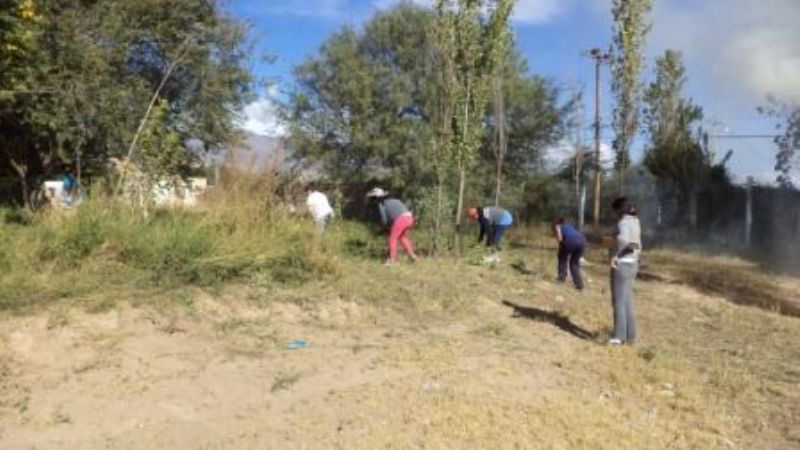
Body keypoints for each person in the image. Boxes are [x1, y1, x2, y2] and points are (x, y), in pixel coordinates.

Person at [605, 197, 642, 346]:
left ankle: (618, 337)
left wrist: (615, 255)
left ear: (619, 210)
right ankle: (630, 335)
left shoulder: (623, 223)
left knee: (618, 301)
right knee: (627, 300)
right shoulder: (636, 221)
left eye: (615, 210)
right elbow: (636, 244)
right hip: (633, 264)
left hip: (621, 265)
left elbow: (623, 240)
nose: (614, 214)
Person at [366, 187, 419, 265]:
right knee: (402, 237)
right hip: (409, 218)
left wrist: (384, 228)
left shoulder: (381, 204)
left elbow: (384, 220)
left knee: (392, 238)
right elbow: (397, 212)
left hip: (401, 219)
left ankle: (392, 260)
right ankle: (412, 256)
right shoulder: (394, 200)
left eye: (373, 198)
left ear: (376, 198)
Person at [553, 217, 586, 291]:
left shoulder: (558, 226)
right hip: (582, 241)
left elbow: (560, 239)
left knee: (562, 257)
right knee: (574, 263)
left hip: (571, 241)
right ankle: (579, 285)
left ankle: (561, 278)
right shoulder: (568, 225)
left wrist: (561, 246)